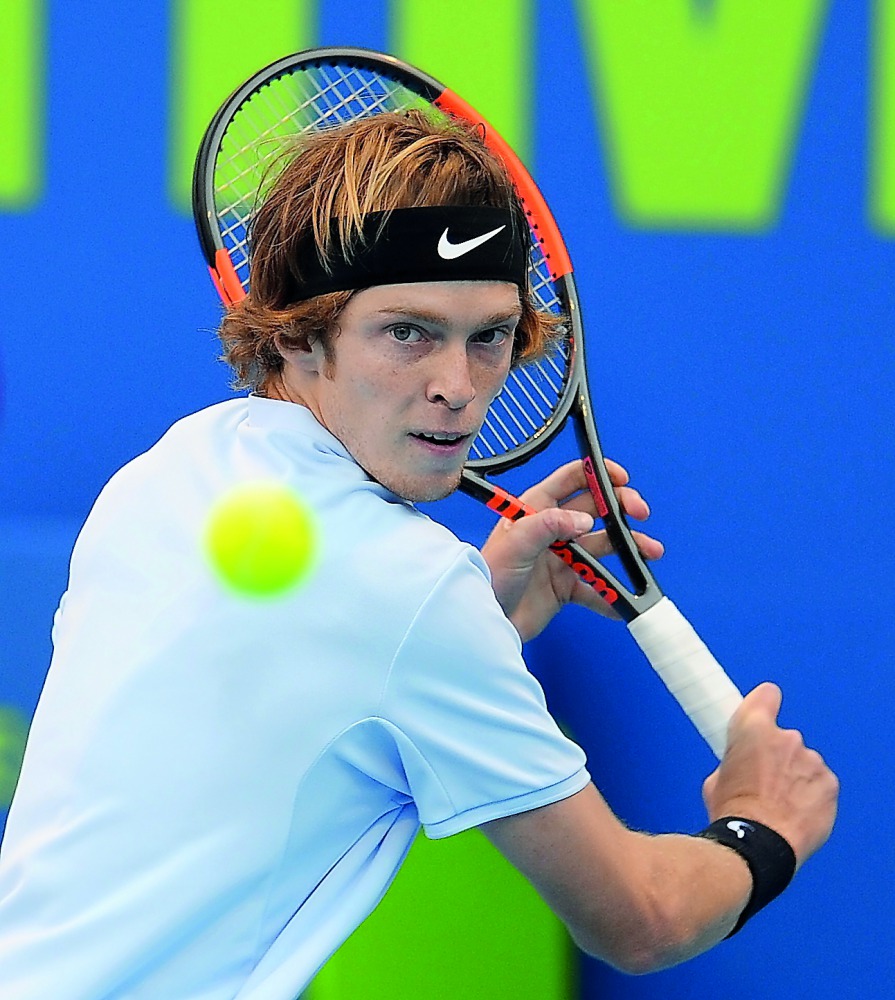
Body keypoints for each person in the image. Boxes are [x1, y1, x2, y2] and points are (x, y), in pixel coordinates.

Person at [0, 109, 838, 997]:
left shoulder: (172, 472)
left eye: (489, 336)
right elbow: (639, 918)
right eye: (407, 331)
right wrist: (760, 824)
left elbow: (304, 684)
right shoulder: (405, 594)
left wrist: (486, 605)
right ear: (298, 330)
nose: (457, 384)